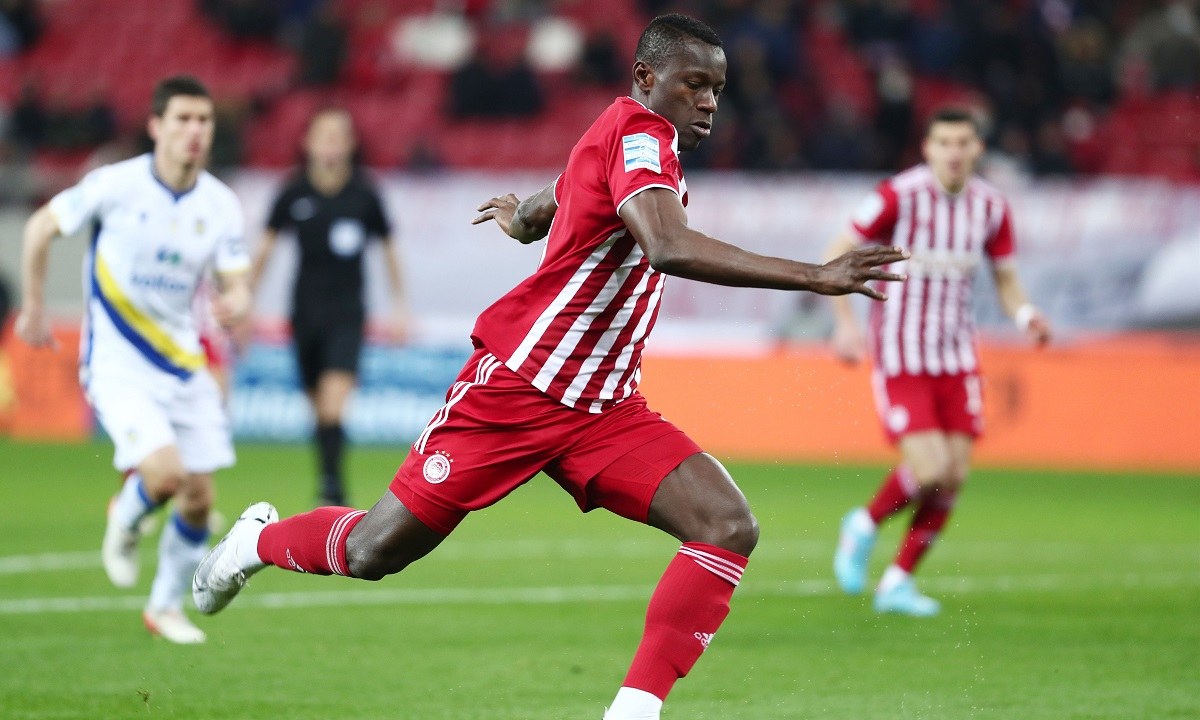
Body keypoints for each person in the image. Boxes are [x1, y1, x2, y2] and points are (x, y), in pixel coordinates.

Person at [194, 14, 904, 718]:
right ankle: (254, 542)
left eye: (716, 89)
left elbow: (551, 201)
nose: (709, 102)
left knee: (727, 524)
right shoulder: (639, 135)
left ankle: (634, 711)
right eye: (693, 84)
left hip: (605, 410)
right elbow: (666, 246)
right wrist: (815, 275)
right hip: (518, 389)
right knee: (375, 550)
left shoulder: (623, 139)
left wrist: (522, 219)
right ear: (646, 78)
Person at [16, 76, 251, 644]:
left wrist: (237, 304)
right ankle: (125, 517)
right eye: (183, 119)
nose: (195, 131)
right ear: (156, 126)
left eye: (203, 120)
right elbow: (41, 226)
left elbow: (238, 282)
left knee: (200, 499)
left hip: (183, 362)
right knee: (165, 475)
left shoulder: (220, 204)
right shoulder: (116, 185)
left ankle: (164, 607)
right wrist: (34, 306)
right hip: (117, 363)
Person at [827, 107, 1052, 617]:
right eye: (944, 142)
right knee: (929, 469)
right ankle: (864, 523)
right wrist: (844, 323)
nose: (954, 152)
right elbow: (836, 253)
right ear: (927, 149)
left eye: (963, 143)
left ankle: (898, 582)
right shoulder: (896, 196)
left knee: (953, 476)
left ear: (977, 149)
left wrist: (1027, 316)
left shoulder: (991, 207)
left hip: (956, 356)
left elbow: (1007, 281)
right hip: (901, 352)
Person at [249, 106, 408, 506]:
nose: (331, 144)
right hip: (304, 313)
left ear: (351, 144)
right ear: (308, 143)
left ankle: (332, 488)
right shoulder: (293, 192)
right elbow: (265, 249)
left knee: (335, 397)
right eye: (324, 135)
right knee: (318, 405)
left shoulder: (365, 195)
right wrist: (246, 300)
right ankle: (328, 477)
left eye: (339, 136)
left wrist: (399, 306)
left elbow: (389, 250)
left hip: (347, 313)